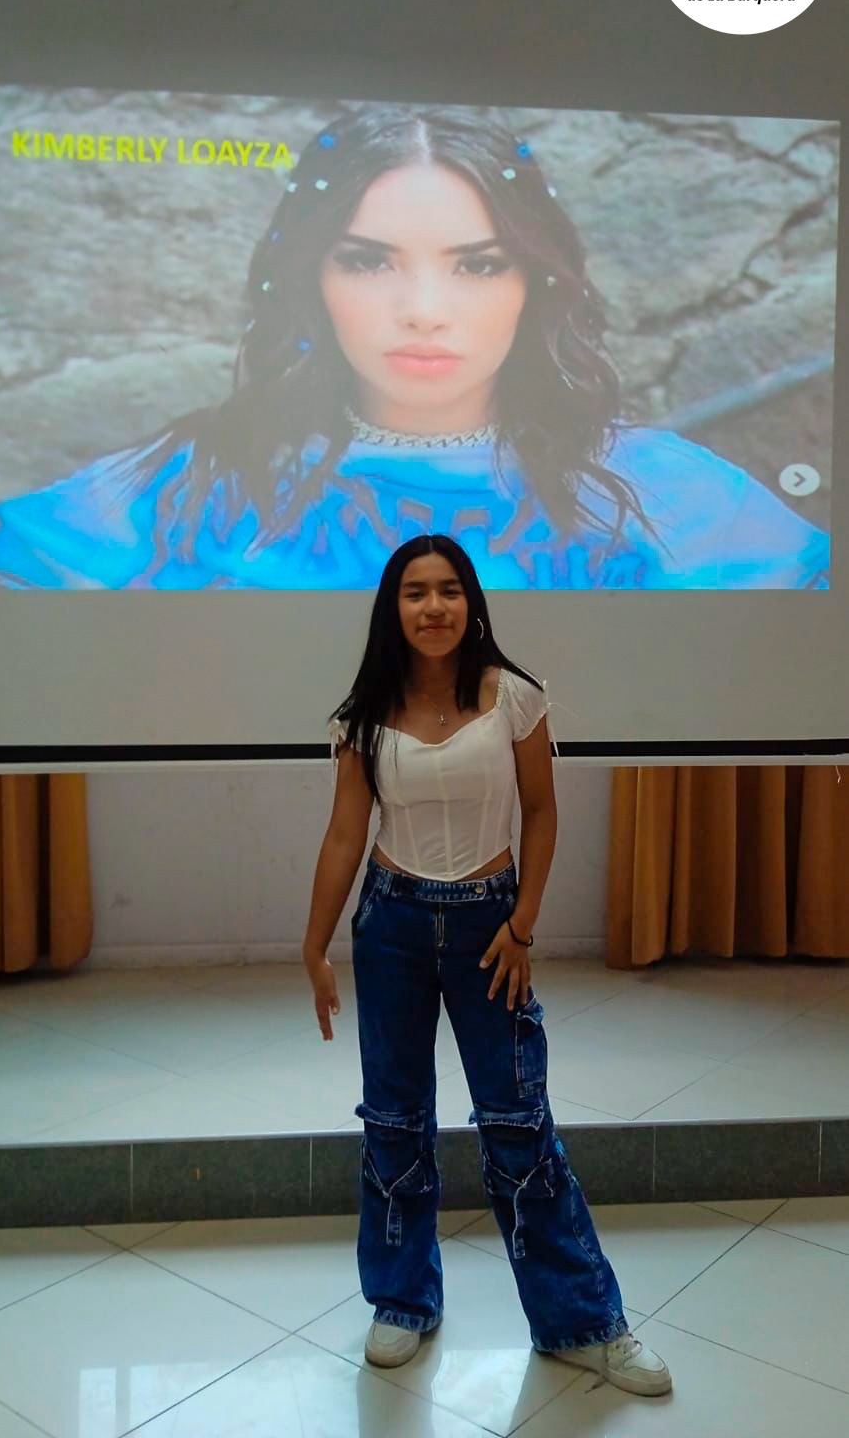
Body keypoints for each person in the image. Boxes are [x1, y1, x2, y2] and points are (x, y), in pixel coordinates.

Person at [0, 102, 828, 590]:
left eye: (479, 265)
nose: (424, 311)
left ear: (535, 285)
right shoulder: (186, 488)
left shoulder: (665, 496)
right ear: (312, 279)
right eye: (368, 261)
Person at [301, 531, 672, 1396]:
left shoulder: (515, 697)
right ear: (393, 609)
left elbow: (540, 812)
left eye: (449, 590)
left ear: (471, 603)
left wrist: (523, 925)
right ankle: (402, 1301)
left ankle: (584, 1323)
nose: (433, 607)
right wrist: (313, 944)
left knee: (517, 1122)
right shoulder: (363, 714)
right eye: (415, 592)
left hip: (490, 927)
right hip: (391, 924)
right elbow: (346, 834)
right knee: (394, 1119)